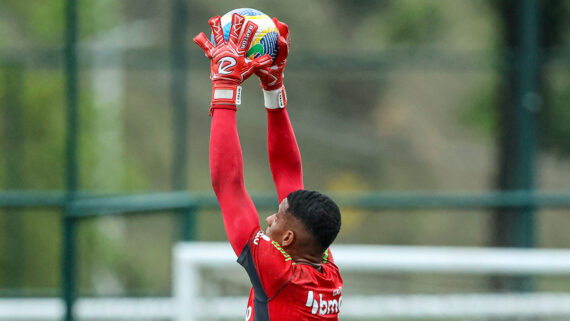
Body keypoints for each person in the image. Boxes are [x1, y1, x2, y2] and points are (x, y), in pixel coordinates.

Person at [194, 13, 343, 320]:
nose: (270, 218)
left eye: (278, 217)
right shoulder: (324, 269)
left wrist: (225, 85)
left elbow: (227, 185)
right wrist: (273, 88)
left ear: (289, 239)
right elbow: (289, 174)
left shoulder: (278, 273)